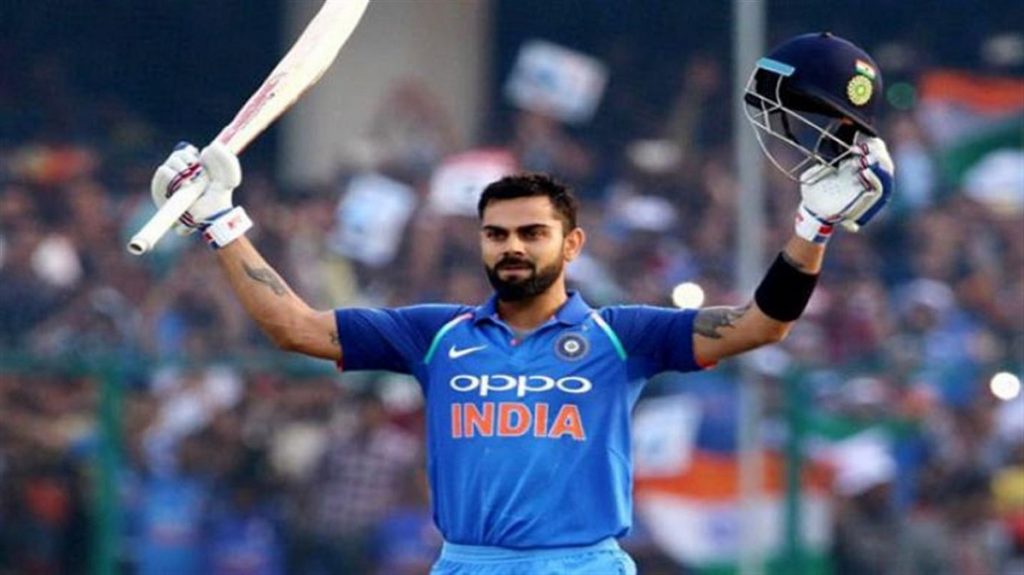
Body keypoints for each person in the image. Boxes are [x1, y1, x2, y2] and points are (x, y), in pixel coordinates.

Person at [146, 32, 894, 575]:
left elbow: (762, 324)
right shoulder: (435, 334)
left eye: (533, 233)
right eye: (497, 233)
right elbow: (294, 327)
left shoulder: (621, 335)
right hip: (467, 563)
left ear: (572, 244)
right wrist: (220, 221)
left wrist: (813, 226)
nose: (513, 247)